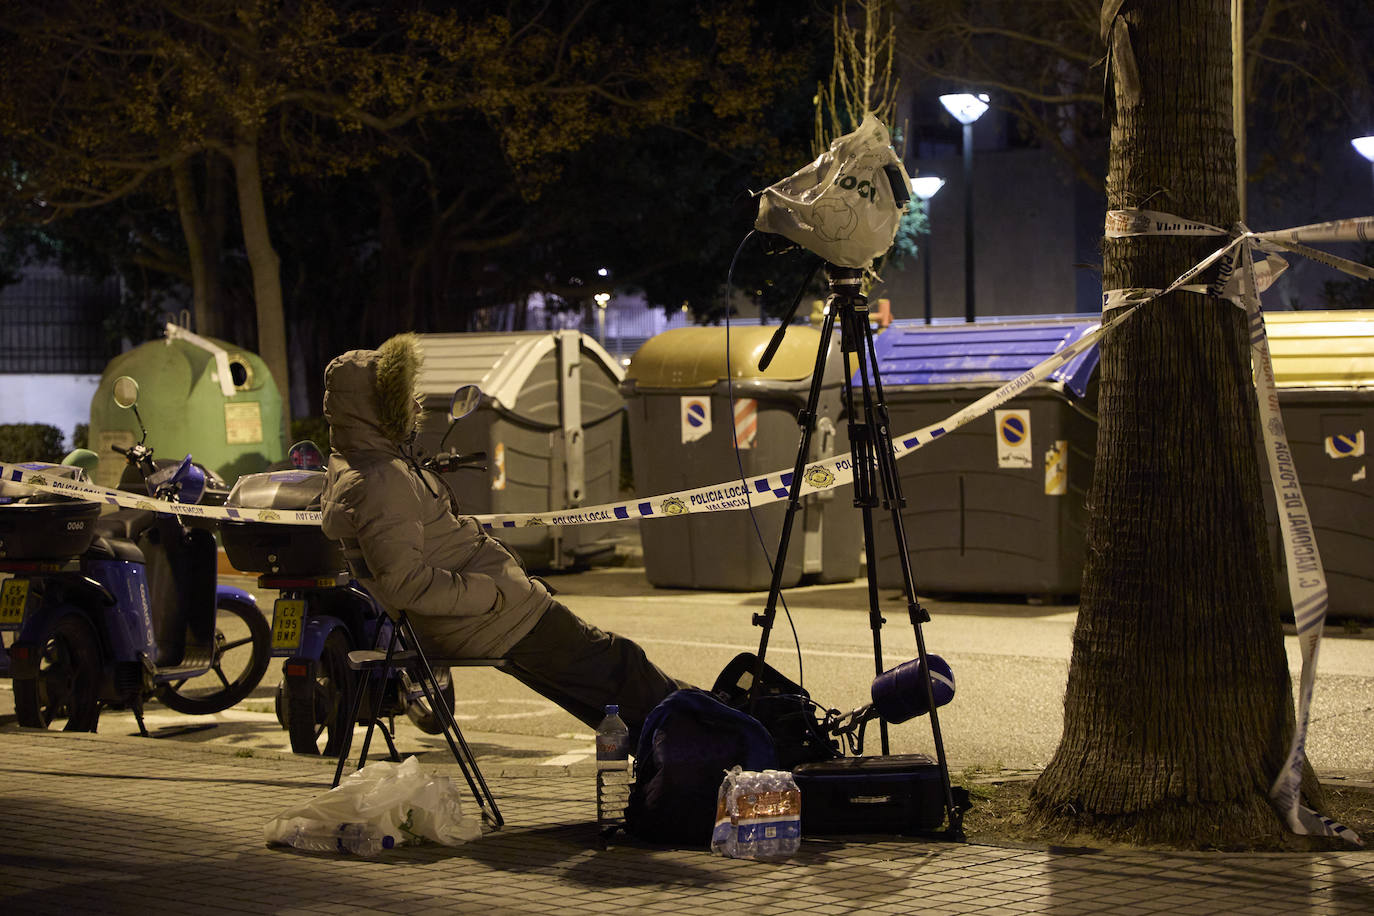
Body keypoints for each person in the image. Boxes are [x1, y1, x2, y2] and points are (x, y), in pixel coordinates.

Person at [319, 332, 681, 742]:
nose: (417, 405)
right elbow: (406, 584)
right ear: (375, 408)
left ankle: (688, 750)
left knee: (609, 686)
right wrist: (491, 593)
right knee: (625, 669)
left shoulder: (353, 469)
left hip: (482, 621)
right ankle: (729, 740)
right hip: (493, 619)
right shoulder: (383, 479)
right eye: (403, 396)